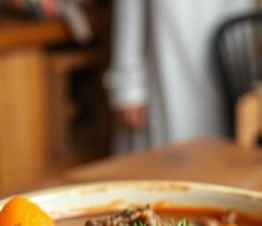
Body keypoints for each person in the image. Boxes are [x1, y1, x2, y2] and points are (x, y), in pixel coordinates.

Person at [105, 0, 252, 152]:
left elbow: (239, 18)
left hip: (218, 73)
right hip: (161, 74)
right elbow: (129, 14)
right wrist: (127, 87)